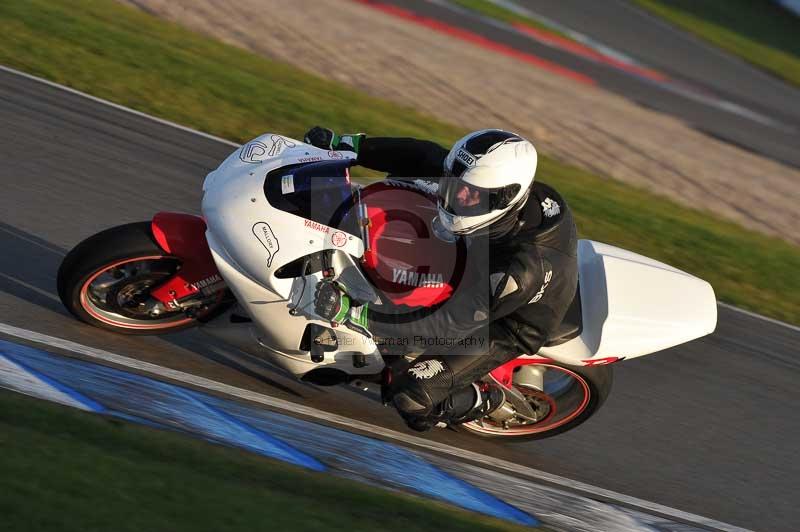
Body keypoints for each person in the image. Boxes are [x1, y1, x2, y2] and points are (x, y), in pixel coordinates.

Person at [305, 126, 578, 431]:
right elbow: (425, 155)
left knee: (411, 395)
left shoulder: (516, 274)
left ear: (503, 199)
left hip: (505, 322)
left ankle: (483, 399)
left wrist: (357, 313)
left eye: (470, 194)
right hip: (480, 255)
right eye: (456, 182)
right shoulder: (488, 189)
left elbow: (445, 322)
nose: (458, 194)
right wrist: (351, 145)